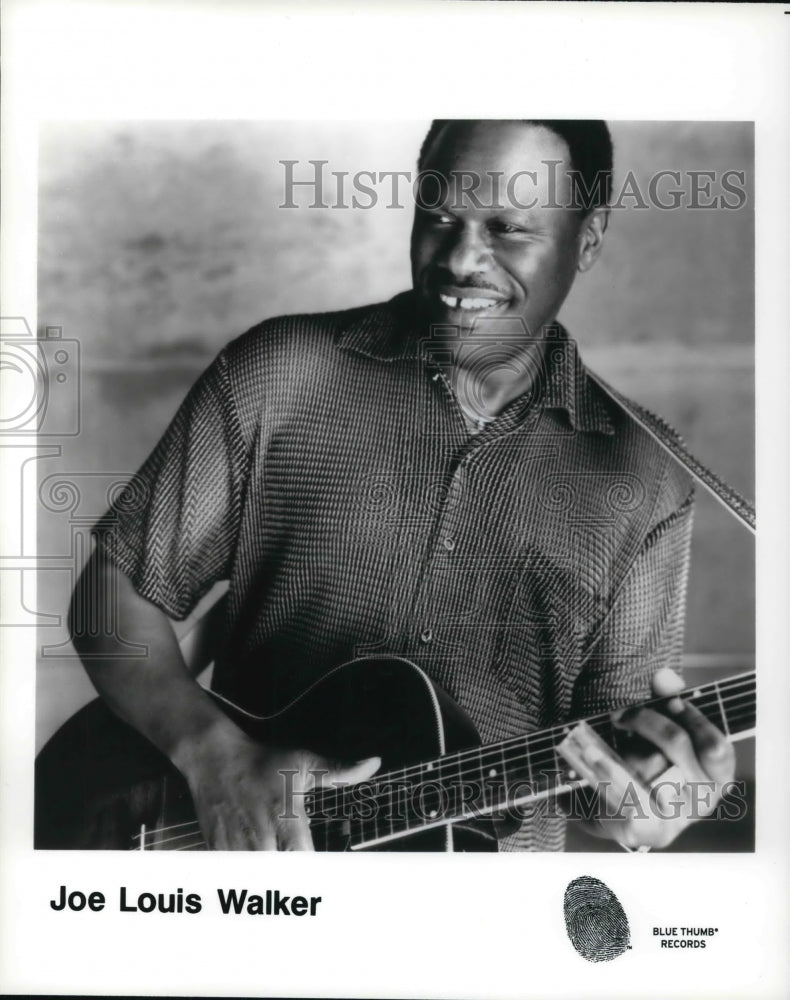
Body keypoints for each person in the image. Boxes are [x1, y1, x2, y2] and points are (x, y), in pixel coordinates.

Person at [69, 119, 735, 851]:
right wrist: (211, 754)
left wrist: (654, 803)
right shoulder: (280, 372)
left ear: (590, 237)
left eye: (509, 228)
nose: (459, 258)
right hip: (248, 894)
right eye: (440, 215)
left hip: (473, 932)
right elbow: (111, 595)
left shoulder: (647, 474)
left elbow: (610, 777)